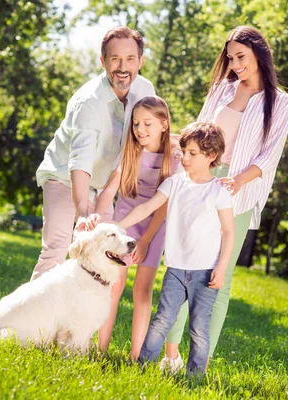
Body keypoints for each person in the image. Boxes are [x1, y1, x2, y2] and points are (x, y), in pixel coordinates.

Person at [161, 25, 288, 371]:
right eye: (231, 58)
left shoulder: (280, 102)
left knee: (217, 278)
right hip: (200, 181)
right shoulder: (223, 88)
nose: (236, 64)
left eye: (242, 57)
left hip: (238, 192)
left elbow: (269, 156)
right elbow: (200, 130)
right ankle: (171, 356)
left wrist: (237, 181)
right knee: (182, 264)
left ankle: (199, 365)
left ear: (259, 55)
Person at [94, 121, 235, 374]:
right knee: (161, 321)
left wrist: (222, 268)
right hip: (175, 270)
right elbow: (146, 208)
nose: (185, 158)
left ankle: (194, 376)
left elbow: (228, 231)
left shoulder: (219, 191)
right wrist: (118, 225)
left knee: (199, 327)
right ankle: (142, 366)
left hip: (205, 272)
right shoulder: (175, 183)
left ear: (211, 156)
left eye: (193, 154)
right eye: (183, 152)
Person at [31, 26, 155, 281]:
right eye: (115, 59)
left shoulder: (145, 93)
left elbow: (134, 150)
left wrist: (102, 200)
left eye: (130, 59)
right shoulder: (88, 102)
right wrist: (83, 211)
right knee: (57, 250)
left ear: (140, 61)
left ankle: (77, 320)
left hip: (103, 183)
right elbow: (80, 162)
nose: (123, 67)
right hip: (64, 176)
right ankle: (28, 319)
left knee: (101, 259)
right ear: (103, 61)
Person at [89, 96, 181, 358]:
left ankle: (135, 356)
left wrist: (145, 240)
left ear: (164, 124)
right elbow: (109, 192)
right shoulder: (130, 151)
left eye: (147, 123)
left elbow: (162, 207)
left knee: (142, 290)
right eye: (136, 124)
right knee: (114, 286)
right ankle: (100, 349)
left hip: (154, 228)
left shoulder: (173, 158)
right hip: (124, 222)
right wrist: (99, 218)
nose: (140, 129)